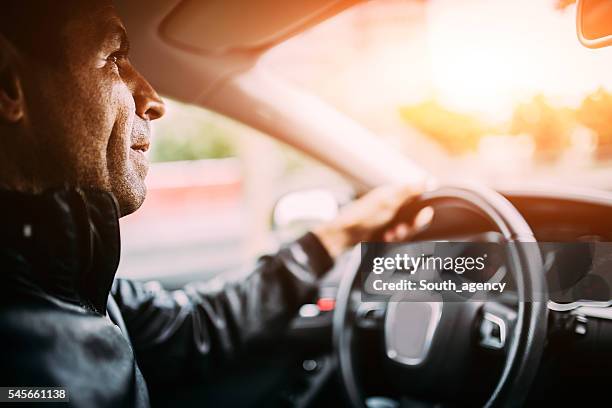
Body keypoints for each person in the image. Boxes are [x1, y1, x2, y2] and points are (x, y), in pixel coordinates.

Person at [0, 1, 424, 406]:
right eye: (114, 58)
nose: (153, 100)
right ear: (8, 85)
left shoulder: (69, 278)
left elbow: (194, 328)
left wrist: (339, 234)